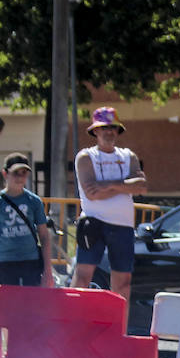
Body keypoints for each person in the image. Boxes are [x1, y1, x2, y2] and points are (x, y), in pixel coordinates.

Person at [73, 107, 147, 313]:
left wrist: (109, 185)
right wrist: (124, 187)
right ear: (95, 131)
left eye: (113, 128)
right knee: (83, 276)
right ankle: (72, 322)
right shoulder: (86, 157)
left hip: (123, 226)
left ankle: (119, 330)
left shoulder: (128, 156)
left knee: (123, 282)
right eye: (104, 128)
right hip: (94, 223)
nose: (109, 132)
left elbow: (141, 186)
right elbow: (91, 193)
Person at [0, 153, 52, 287]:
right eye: (16, 173)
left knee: (31, 305)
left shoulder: (34, 201)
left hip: (30, 261)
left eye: (24, 173)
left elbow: (44, 236)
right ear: (5, 174)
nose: (20, 178)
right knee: (7, 306)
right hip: (4, 262)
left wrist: (48, 271)